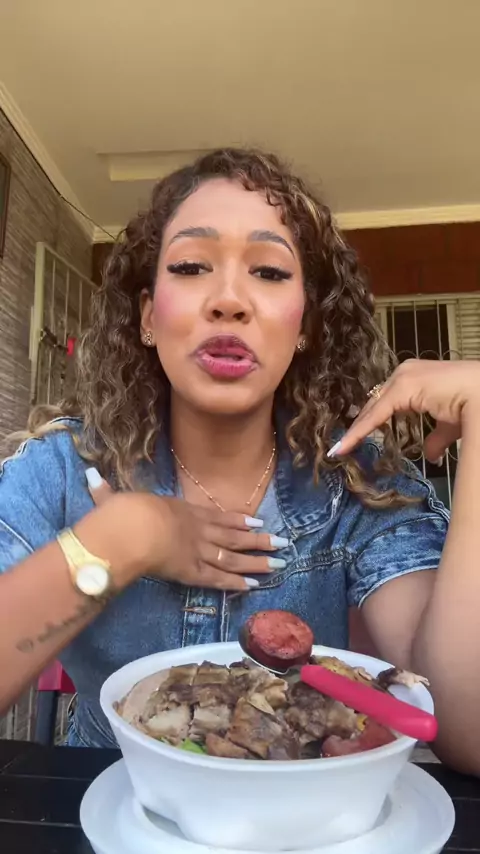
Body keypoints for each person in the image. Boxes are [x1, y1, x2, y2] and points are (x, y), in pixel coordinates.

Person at [0, 148, 478, 774]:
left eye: (270, 272)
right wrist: (122, 540)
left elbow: (466, 732)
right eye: (191, 266)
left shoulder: (361, 483)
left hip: (299, 816)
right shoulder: (62, 469)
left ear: (306, 326)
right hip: (98, 803)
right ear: (147, 316)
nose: (228, 300)